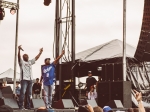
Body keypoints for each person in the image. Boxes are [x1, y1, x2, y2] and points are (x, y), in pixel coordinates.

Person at [18, 45, 43, 110]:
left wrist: (40, 52)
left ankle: (28, 106)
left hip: (30, 80)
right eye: (26, 56)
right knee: (23, 93)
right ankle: (21, 106)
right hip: (24, 79)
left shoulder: (30, 62)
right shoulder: (22, 62)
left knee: (29, 94)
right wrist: (19, 50)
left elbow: (36, 58)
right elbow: (18, 57)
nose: (27, 57)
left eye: (27, 56)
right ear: (23, 58)